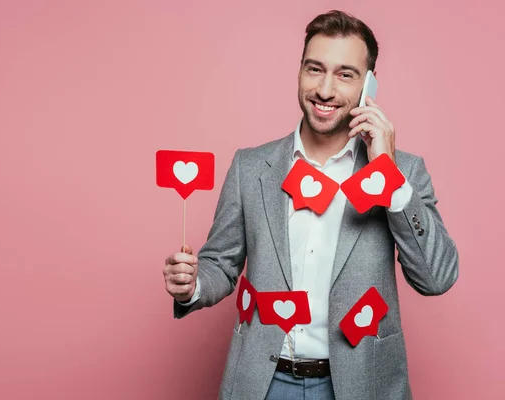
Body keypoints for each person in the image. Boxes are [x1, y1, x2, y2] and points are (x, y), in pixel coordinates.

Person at [162, 9, 459, 400]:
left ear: (369, 85)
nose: (324, 89)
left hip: (359, 385)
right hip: (263, 383)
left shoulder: (403, 172)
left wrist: (387, 174)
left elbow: (436, 278)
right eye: (314, 69)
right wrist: (192, 285)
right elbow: (222, 263)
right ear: (300, 71)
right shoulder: (250, 167)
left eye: (345, 74)